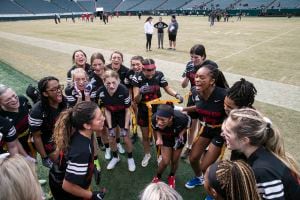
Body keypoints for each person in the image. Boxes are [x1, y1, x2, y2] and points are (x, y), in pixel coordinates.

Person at [222, 108, 300, 200]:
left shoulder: (262, 171)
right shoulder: (259, 152)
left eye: (227, 133)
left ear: (245, 140)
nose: (222, 134)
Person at [183, 64, 228, 189]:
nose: (197, 80)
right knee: (193, 158)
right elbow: (200, 107)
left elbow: (237, 110)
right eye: (196, 77)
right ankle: (199, 178)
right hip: (206, 128)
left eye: (202, 77)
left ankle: (213, 189)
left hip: (221, 132)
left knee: (205, 166)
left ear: (212, 81)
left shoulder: (224, 95)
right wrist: (182, 109)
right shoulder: (194, 92)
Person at [132, 58, 184, 167]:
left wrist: (176, 94)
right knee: (145, 136)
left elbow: (167, 88)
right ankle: (147, 154)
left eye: (153, 69)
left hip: (157, 108)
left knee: (158, 135)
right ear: (142, 68)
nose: (151, 72)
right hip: (143, 108)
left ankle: (159, 154)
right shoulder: (136, 77)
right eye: (148, 70)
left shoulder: (159, 75)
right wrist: (140, 92)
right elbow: (136, 100)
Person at [50, 101, 106, 200]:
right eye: (99, 118)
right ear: (87, 125)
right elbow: (68, 186)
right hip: (65, 192)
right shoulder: (82, 151)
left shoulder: (83, 132)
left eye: (102, 115)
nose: (104, 118)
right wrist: (92, 196)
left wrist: (91, 168)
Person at [180, 44, 219, 159]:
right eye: (191, 57)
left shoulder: (211, 66)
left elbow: (216, 84)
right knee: (192, 124)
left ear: (203, 56)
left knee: (204, 125)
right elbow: (183, 85)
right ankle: (189, 146)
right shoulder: (189, 65)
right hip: (194, 97)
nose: (193, 60)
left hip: (207, 99)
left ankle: (202, 148)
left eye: (196, 57)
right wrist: (187, 75)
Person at [98, 70, 136, 171]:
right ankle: (115, 157)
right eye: (108, 83)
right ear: (103, 82)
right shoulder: (101, 92)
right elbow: (106, 109)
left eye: (113, 82)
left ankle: (130, 158)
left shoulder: (124, 90)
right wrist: (110, 128)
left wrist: (125, 128)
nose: (111, 86)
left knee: (126, 138)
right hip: (111, 114)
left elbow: (128, 110)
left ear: (118, 80)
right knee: (111, 138)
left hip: (123, 114)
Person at [29, 76, 67, 169]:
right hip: (49, 140)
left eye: (59, 87)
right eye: (54, 89)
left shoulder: (64, 101)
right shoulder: (37, 112)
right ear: (45, 93)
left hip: (63, 134)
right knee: (60, 165)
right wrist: (44, 157)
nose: (59, 91)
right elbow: (36, 136)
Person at [151, 104, 190, 189]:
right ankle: (157, 176)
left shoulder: (181, 118)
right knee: (165, 161)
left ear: (171, 118)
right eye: (158, 118)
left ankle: (171, 176)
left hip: (178, 138)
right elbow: (156, 128)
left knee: (175, 160)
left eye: (163, 120)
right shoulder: (154, 118)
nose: (159, 122)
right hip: (166, 138)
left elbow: (189, 122)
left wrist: (182, 132)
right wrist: (159, 138)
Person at [0, 85, 34, 157]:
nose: (14, 100)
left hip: (30, 137)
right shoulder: (2, 118)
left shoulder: (22, 99)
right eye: (8, 99)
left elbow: (31, 114)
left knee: (33, 160)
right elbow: (12, 144)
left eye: (14, 95)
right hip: (13, 143)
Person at [124, 56, 144, 144]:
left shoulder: (147, 71)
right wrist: (131, 100)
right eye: (133, 65)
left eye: (138, 64)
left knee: (146, 118)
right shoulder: (129, 73)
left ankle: (150, 137)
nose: (135, 67)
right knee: (134, 117)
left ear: (142, 64)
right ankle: (135, 133)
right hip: (134, 99)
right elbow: (128, 88)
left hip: (146, 100)